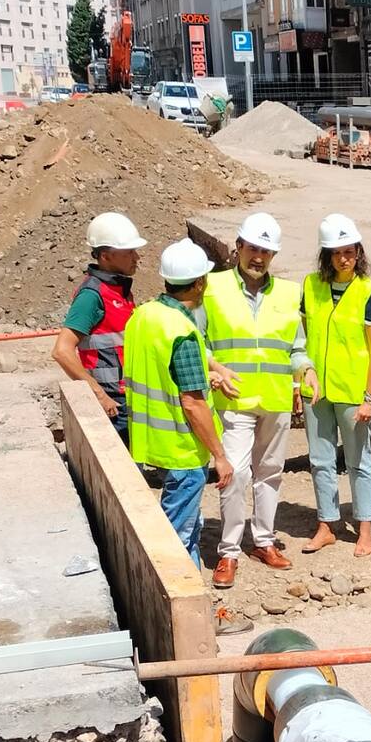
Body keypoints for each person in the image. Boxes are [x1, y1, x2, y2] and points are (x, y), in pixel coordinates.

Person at [201, 212, 319, 589]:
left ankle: (264, 541)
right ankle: (229, 551)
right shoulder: (212, 287)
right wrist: (213, 367)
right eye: (253, 248)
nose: (259, 257)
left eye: (266, 252)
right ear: (238, 247)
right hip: (233, 399)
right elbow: (198, 339)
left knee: (269, 472)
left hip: (275, 397)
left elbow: (296, 347)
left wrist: (306, 369)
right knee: (235, 473)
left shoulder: (288, 293)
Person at [123, 238, 234, 570]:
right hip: (181, 448)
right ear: (200, 283)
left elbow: (159, 373)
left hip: (148, 438)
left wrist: (205, 376)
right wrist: (219, 455)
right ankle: (177, 595)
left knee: (186, 528)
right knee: (177, 538)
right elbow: (192, 403)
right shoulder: (182, 330)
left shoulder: (143, 315)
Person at [300, 214, 371, 557]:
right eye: (336, 253)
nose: (343, 259)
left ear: (358, 252)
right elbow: (304, 337)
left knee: (358, 461)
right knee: (320, 460)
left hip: (353, 394)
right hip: (317, 391)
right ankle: (326, 525)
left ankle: (365, 528)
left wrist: (369, 398)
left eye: (349, 251)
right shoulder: (310, 286)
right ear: (326, 255)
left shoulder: (369, 292)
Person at [52, 212, 145, 441]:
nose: (136, 257)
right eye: (129, 252)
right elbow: (62, 351)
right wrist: (99, 394)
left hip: (128, 394)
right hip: (113, 402)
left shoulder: (119, 289)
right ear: (105, 256)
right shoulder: (91, 295)